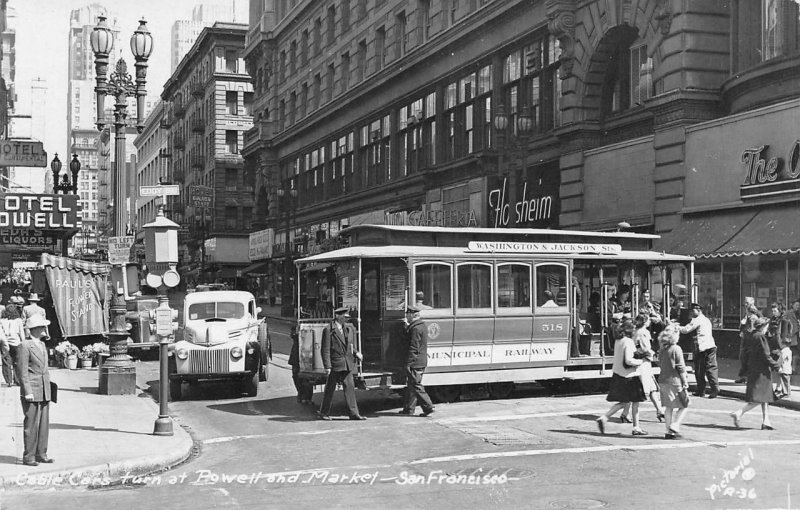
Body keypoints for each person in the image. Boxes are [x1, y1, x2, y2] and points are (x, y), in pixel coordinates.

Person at [596, 318, 648, 436]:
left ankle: (604, 417)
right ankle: (636, 427)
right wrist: (641, 361)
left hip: (618, 374)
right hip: (630, 376)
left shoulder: (618, 341)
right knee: (635, 402)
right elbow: (629, 361)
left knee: (625, 401)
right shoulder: (628, 342)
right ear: (630, 329)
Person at [16, 314, 54, 466]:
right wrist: (27, 391)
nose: (45, 329)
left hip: (45, 389)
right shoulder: (25, 345)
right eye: (43, 326)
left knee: (44, 424)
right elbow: (22, 371)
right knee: (31, 424)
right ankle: (29, 456)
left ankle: (41, 453)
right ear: (36, 329)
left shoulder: (42, 345)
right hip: (32, 390)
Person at [730, 316, 780, 430]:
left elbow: (746, 352)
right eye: (767, 326)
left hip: (753, 368)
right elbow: (765, 355)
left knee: (765, 395)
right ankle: (739, 412)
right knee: (760, 397)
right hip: (761, 370)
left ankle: (766, 421)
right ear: (763, 326)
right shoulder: (761, 337)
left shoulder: (751, 336)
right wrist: (776, 365)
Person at [318, 307, 365, 421]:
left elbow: (350, 345)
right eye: (345, 317)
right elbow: (325, 349)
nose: (346, 319)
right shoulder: (329, 330)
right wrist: (327, 366)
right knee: (330, 389)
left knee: (349, 388)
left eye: (347, 317)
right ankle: (324, 412)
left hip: (347, 363)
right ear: (338, 316)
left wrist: (356, 353)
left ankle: (354, 413)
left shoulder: (348, 329)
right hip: (335, 363)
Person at [619, 313, 664, 424]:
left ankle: (659, 410)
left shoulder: (635, 332)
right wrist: (654, 355)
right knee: (641, 389)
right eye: (648, 320)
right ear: (645, 322)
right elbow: (646, 348)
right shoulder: (644, 332)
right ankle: (627, 414)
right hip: (643, 363)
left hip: (638, 362)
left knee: (649, 388)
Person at [399, 306, 435, 417]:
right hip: (420, 360)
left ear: (413, 315)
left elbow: (414, 347)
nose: (406, 317)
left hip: (416, 362)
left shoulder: (415, 328)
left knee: (416, 385)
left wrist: (409, 363)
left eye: (408, 315)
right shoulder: (421, 326)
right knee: (411, 385)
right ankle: (409, 409)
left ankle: (428, 407)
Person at [679, 303, 719, 398]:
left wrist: (676, 327)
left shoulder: (697, 320)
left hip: (701, 348)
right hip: (711, 346)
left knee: (700, 370)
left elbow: (686, 330)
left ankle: (701, 390)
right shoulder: (706, 320)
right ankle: (715, 388)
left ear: (699, 310)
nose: (691, 313)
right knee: (711, 368)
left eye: (693, 311)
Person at [657, 324, 690, 439]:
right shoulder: (676, 349)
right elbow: (681, 368)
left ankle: (668, 431)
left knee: (668, 407)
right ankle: (675, 425)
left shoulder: (662, 349)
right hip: (675, 381)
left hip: (662, 380)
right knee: (685, 404)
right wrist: (685, 381)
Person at [736, 297, 762, 383]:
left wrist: (745, 329)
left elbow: (752, 327)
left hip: (750, 339)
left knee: (749, 358)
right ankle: (743, 376)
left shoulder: (753, 313)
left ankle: (748, 377)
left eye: (747, 303)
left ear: (752, 303)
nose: (745, 304)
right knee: (743, 357)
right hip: (745, 339)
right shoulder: (747, 313)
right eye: (745, 303)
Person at [288, 325, 314, 405]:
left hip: (307, 352)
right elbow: (293, 335)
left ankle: (307, 397)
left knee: (308, 377)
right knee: (297, 376)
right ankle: (301, 394)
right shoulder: (297, 326)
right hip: (297, 354)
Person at [1, 305, 25, 387]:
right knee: (17, 362)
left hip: (5, 343)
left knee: (6, 362)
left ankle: (9, 381)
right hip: (16, 342)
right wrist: (23, 342)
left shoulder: (2, 321)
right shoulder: (18, 320)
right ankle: (17, 380)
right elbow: (22, 333)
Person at [789, 299, 800, 373]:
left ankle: (794, 368)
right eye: (796, 305)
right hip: (792, 336)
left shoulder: (798, 314)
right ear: (792, 305)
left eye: (799, 306)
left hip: (798, 336)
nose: (798, 307)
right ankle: (793, 368)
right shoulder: (788, 313)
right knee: (794, 353)